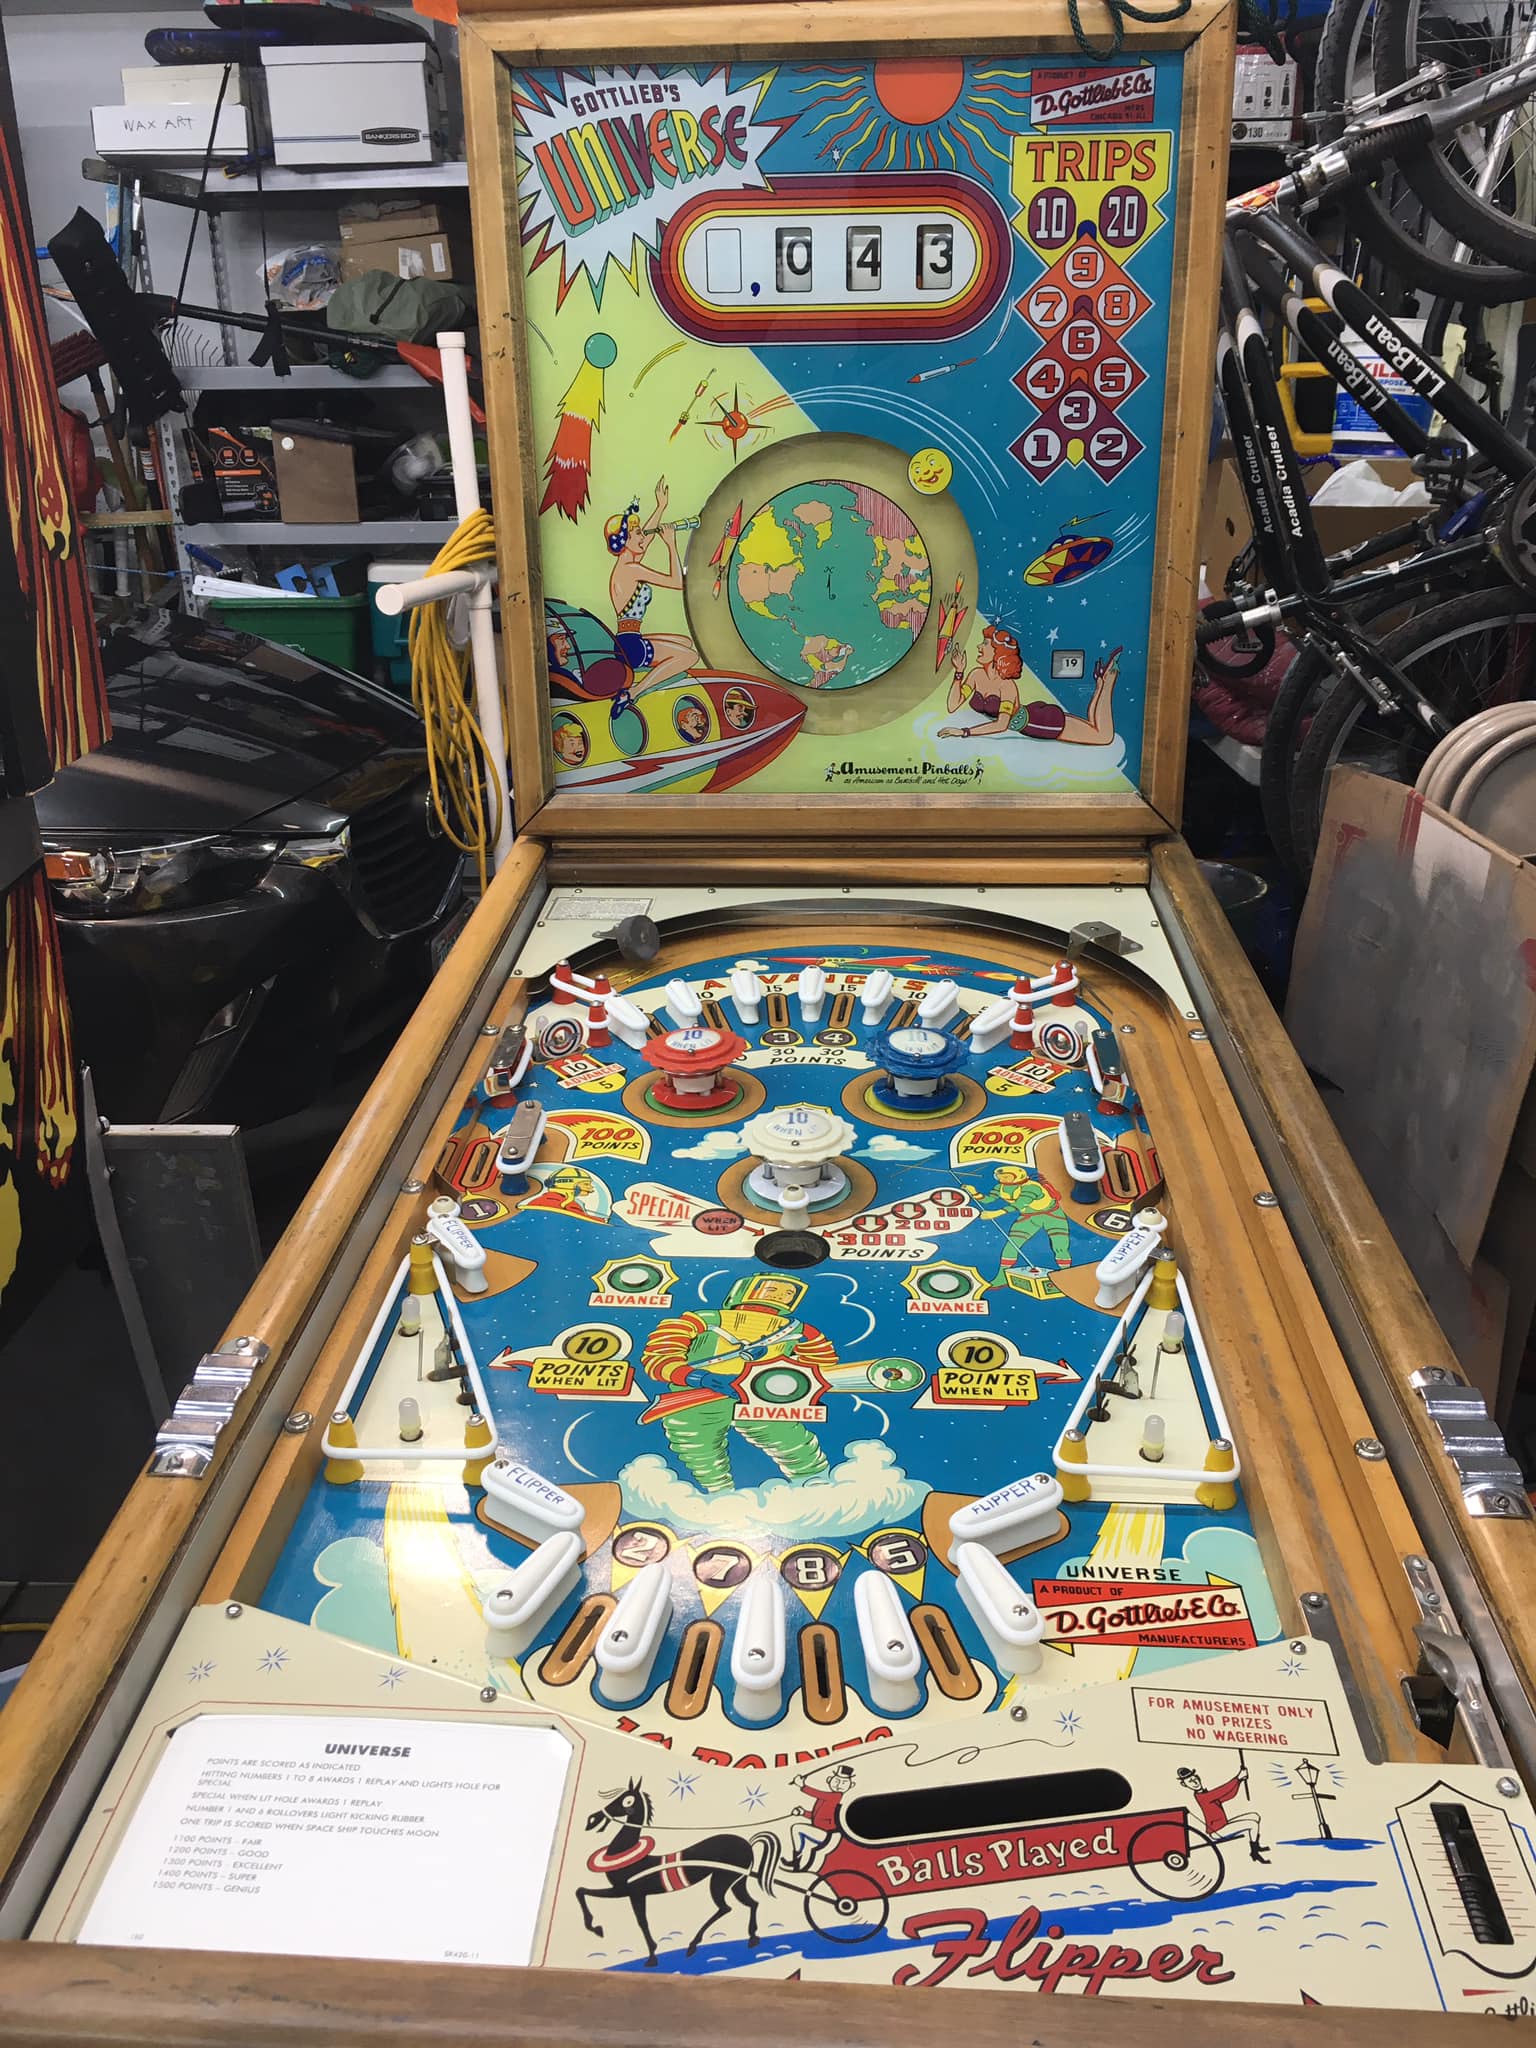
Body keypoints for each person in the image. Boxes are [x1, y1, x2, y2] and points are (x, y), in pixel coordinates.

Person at [939, 629, 1121, 746]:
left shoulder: (1006, 685)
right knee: (1094, 728)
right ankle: (1101, 683)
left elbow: (1001, 725)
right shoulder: (975, 675)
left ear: (998, 653)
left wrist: (964, 732)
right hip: (1033, 714)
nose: (979, 647)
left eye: (985, 644)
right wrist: (959, 672)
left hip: (1041, 723)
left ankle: (1109, 679)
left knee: (1103, 736)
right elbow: (953, 705)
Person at [606, 478, 700, 689]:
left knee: (685, 642)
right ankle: (635, 692)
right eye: (637, 533)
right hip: (632, 648)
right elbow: (677, 582)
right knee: (690, 656)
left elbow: (646, 539)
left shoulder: (627, 562)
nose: (643, 536)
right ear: (625, 541)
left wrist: (661, 507)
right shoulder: (631, 569)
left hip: (628, 639)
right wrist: (671, 544)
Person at [962, 1163, 1073, 1286]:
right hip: (1029, 1217)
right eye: (1000, 1177)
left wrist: (996, 1213)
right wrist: (974, 1192)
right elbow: (988, 1199)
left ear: (1018, 1176)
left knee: (1060, 1247)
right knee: (1012, 1245)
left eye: (1006, 1177)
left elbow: (1020, 1204)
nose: (1003, 1179)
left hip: (1053, 1216)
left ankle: (1066, 1278)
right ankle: (1002, 1278)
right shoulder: (1000, 1187)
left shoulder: (1031, 1187)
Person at [1177, 1763, 1270, 1864]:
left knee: (1254, 1816)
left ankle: (1256, 1846)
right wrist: (1237, 1778)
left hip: (1223, 1825)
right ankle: (1254, 1852)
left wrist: (1239, 1781)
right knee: (1252, 1824)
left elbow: (1228, 1795)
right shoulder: (1202, 1797)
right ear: (1184, 1784)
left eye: (1194, 1778)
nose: (1194, 1782)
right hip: (1218, 1831)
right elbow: (1222, 1791)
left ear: (1198, 1777)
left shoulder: (1205, 1794)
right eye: (1190, 1781)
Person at [787, 1762, 855, 1873]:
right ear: (829, 1780)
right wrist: (802, 1812)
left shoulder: (835, 1796)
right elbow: (816, 1816)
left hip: (829, 1835)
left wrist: (802, 1786)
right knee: (803, 1839)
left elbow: (818, 1794)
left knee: (797, 1828)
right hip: (820, 1832)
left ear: (851, 1785)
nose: (839, 1785)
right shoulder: (826, 1798)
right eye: (837, 1781)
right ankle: (799, 1863)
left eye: (844, 1782)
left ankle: (797, 1860)